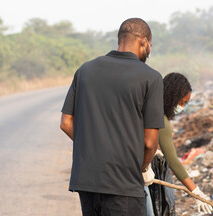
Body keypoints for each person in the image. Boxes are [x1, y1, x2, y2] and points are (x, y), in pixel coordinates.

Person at [60, 18, 164, 216]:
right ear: (144, 41)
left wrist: (96, 149)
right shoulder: (151, 78)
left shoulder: (85, 70)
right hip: (123, 183)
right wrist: (141, 168)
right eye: (150, 45)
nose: (149, 50)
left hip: (87, 181)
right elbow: (150, 143)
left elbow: (66, 123)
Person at [146, 73, 213, 215]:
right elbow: (173, 161)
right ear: (172, 97)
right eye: (182, 102)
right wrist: (196, 191)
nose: (182, 107)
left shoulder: (147, 106)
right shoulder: (161, 120)